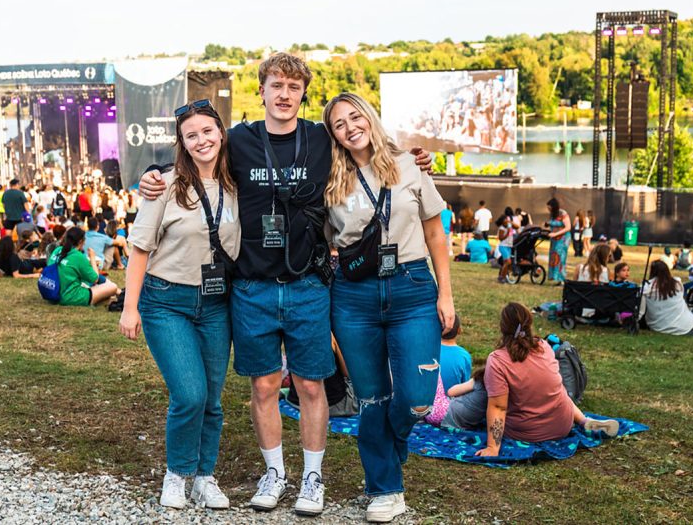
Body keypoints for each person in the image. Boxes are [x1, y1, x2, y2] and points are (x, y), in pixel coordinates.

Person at [138, 53, 432, 518]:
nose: (284, 95)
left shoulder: (320, 139)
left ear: (303, 94)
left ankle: (312, 478)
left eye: (294, 88)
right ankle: (274, 473)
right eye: (276, 86)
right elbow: (198, 153)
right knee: (264, 386)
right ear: (262, 91)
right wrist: (153, 173)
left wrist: (414, 157)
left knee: (312, 386)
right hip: (251, 286)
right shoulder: (240, 140)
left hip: (308, 283)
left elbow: (366, 148)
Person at [323, 92, 455, 523]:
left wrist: (445, 293)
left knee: (417, 400)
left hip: (412, 288)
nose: (350, 128)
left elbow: (435, 233)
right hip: (354, 296)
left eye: (354, 117)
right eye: (339, 124)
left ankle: (391, 442)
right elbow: (321, 239)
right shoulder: (329, 179)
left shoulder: (409, 166)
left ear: (370, 117)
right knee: (372, 397)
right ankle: (385, 489)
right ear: (333, 135)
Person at [119, 101, 240, 511]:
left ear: (221, 133)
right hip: (166, 301)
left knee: (213, 400)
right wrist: (130, 307)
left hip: (216, 303)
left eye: (207, 131)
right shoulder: (165, 186)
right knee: (189, 394)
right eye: (191, 135)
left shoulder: (237, 186)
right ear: (182, 144)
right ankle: (177, 474)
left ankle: (205, 477)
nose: (201, 140)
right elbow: (140, 249)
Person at [475, 303, 619, 457]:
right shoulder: (544, 346)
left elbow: (498, 407)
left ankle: (584, 421)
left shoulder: (497, 360)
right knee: (559, 391)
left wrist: (492, 447)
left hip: (527, 433)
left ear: (502, 327)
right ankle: (584, 421)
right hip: (563, 425)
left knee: (496, 398)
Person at [46, 227, 119, 306]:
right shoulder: (78, 256)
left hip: (52, 292)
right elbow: (95, 279)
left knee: (98, 283)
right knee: (113, 287)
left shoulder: (57, 250)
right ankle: (118, 294)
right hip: (70, 297)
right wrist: (92, 257)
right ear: (81, 241)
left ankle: (118, 294)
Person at [640, 261, 693, 336]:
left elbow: (641, 311)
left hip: (659, 326)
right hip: (686, 325)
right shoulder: (677, 283)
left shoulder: (646, 288)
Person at [426, 360, 488, 431]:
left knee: (432, 370)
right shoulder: (495, 395)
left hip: (440, 413)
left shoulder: (480, 380)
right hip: (459, 424)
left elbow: (451, 392)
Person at [546, 198, 571, 285]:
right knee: (554, 257)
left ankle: (562, 279)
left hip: (563, 239)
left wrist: (555, 234)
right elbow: (553, 224)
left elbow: (568, 227)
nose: (548, 209)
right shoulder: (553, 215)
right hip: (554, 239)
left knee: (561, 257)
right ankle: (557, 278)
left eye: (549, 207)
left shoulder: (563, 213)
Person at [496, 215, 515, 283]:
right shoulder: (501, 228)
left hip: (509, 246)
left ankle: (502, 276)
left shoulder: (510, 225)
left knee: (505, 263)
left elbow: (517, 226)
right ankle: (502, 277)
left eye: (507, 219)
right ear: (502, 221)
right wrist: (507, 233)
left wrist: (511, 223)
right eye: (505, 219)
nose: (507, 221)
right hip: (503, 246)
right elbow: (500, 238)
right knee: (508, 262)